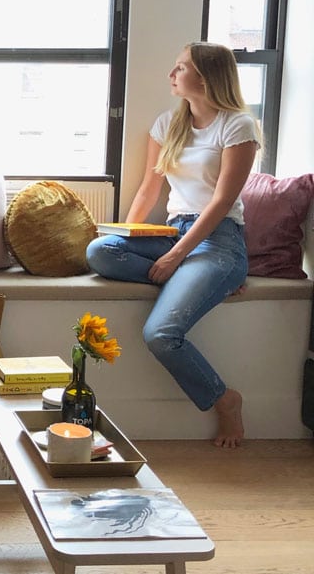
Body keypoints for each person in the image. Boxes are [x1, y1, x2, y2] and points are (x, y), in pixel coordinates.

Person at [86, 42, 259, 449]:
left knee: (161, 334)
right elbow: (150, 189)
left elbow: (220, 203)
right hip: (173, 233)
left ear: (205, 77)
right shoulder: (169, 123)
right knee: (99, 252)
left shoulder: (237, 126)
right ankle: (195, 284)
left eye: (180, 68)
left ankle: (225, 400)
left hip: (218, 242)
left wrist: (179, 256)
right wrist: (126, 233)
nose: (172, 74)